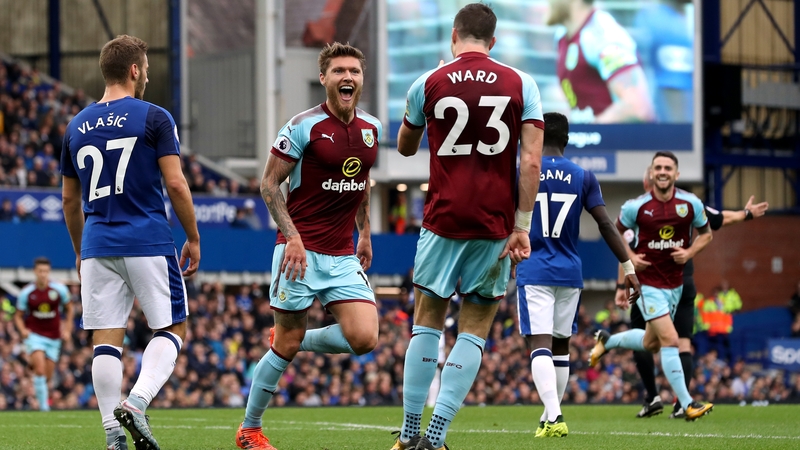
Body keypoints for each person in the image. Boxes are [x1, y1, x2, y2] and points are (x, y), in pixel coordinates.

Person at [391, 4, 544, 450]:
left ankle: (408, 435)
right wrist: (521, 226)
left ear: (454, 36)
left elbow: (403, 148)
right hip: (496, 224)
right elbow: (531, 161)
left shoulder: (429, 81)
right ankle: (436, 437)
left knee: (427, 322)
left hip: (442, 219)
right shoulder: (522, 83)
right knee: (475, 326)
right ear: (493, 42)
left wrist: (423, 103)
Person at [235, 42, 381, 450]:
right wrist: (294, 237)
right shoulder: (303, 126)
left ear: (361, 77)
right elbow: (268, 185)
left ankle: (292, 337)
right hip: (297, 252)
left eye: (353, 70)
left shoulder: (372, 129)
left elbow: (361, 182)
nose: (347, 77)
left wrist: (364, 231)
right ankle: (249, 430)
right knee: (285, 345)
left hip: (341, 252)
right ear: (324, 79)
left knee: (366, 338)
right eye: (338, 71)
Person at [61, 35, 200, 450]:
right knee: (172, 327)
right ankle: (137, 402)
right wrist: (192, 236)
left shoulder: (75, 124)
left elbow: (69, 200)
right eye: (146, 71)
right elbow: (175, 183)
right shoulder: (154, 116)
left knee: (105, 339)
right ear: (135, 70)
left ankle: (111, 434)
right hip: (148, 239)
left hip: (97, 243)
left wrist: (79, 251)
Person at [515, 112, 641, 437]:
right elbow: (606, 225)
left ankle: (554, 416)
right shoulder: (584, 176)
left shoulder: (523, 171)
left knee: (539, 344)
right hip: (570, 271)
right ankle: (549, 417)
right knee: (561, 347)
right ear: (568, 141)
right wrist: (628, 268)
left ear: (537, 137)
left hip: (535, 268)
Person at [625, 169, 768, 419]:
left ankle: (655, 397)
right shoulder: (683, 205)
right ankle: (679, 402)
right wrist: (746, 214)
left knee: (647, 340)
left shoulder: (646, 210)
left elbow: (622, 247)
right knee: (680, 342)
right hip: (678, 283)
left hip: (652, 284)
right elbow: (720, 218)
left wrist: (621, 285)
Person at [588, 151, 714, 421]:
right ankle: (688, 404)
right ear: (652, 173)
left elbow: (707, 234)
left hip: (675, 285)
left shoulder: (690, 204)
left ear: (676, 174)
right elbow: (616, 231)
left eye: (668, 167)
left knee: (651, 343)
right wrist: (631, 258)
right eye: (658, 167)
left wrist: (689, 253)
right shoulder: (637, 207)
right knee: (671, 340)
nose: (663, 171)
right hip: (647, 285)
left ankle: (608, 342)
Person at [548, 0, 655, 123]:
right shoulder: (562, 35)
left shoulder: (603, 37)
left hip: (624, 140)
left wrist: (588, 134)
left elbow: (637, 106)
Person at [12, 257, 72, 412]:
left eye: (45, 271)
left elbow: (70, 309)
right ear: (35, 272)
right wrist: (23, 330)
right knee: (39, 369)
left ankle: (41, 401)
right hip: (35, 335)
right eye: (40, 271)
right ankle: (44, 408)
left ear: (49, 272)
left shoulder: (59, 290)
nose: (43, 274)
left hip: (53, 337)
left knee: (46, 377)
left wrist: (67, 329)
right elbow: (18, 315)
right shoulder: (27, 292)